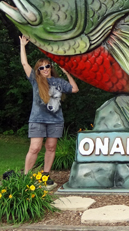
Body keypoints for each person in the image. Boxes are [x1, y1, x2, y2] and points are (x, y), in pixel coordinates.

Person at [20, 35, 79, 183]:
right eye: (41, 68)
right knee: (35, 148)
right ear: (38, 71)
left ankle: (45, 175)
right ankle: (26, 177)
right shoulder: (35, 80)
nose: (45, 69)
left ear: (50, 68)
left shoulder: (58, 81)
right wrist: (22, 45)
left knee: (51, 147)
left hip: (55, 120)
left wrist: (67, 73)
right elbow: (24, 63)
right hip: (38, 119)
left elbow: (74, 89)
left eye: (47, 66)